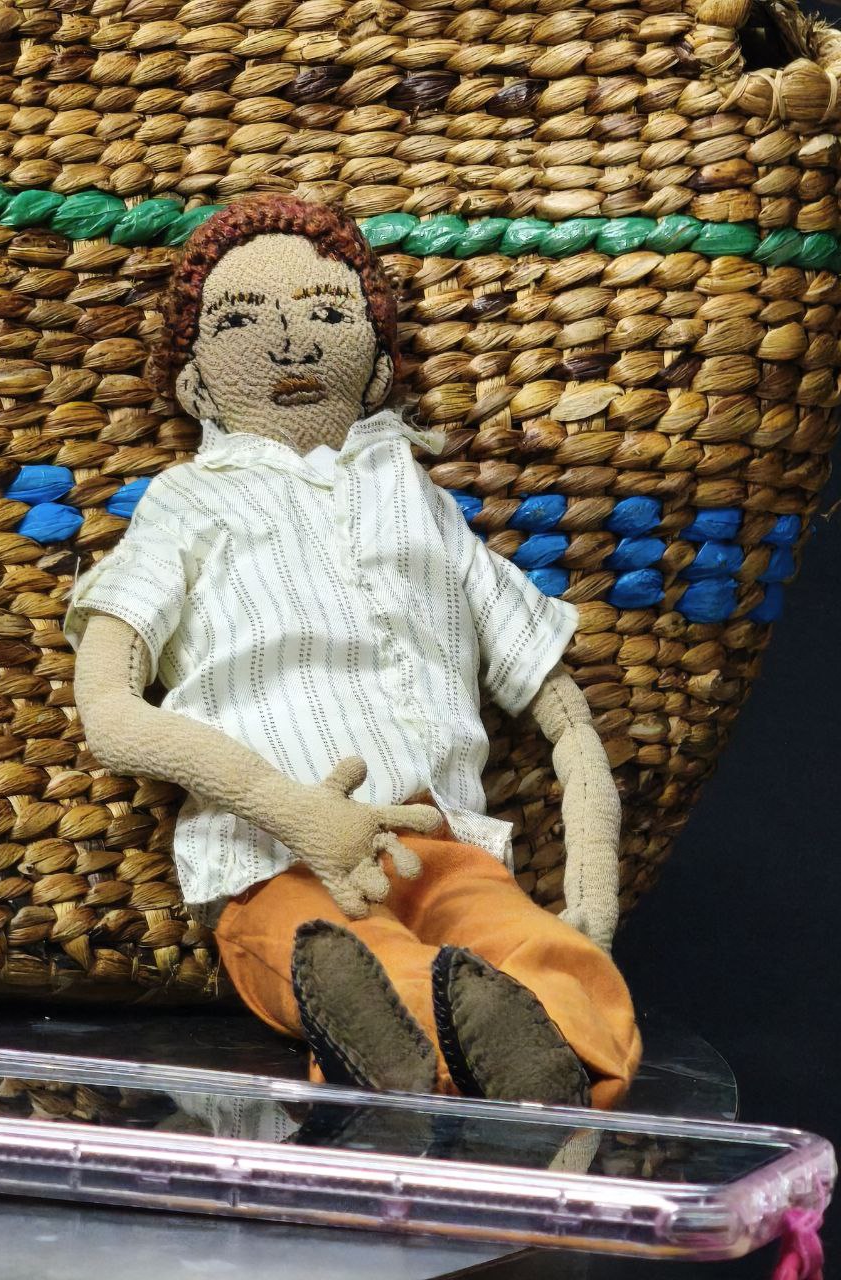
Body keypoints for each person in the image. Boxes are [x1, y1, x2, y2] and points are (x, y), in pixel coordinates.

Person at [64, 195, 641, 1107]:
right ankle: (401, 1040)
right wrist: (288, 808)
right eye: (242, 321)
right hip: (275, 856)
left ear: (376, 369)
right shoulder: (186, 503)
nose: (291, 343)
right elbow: (108, 707)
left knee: (544, 951)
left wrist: (591, 902)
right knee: (331, 955)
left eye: (327, 314)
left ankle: (540, 1045)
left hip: (443, 847)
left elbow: (563, 714)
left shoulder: (420, 503)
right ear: (196, 385)